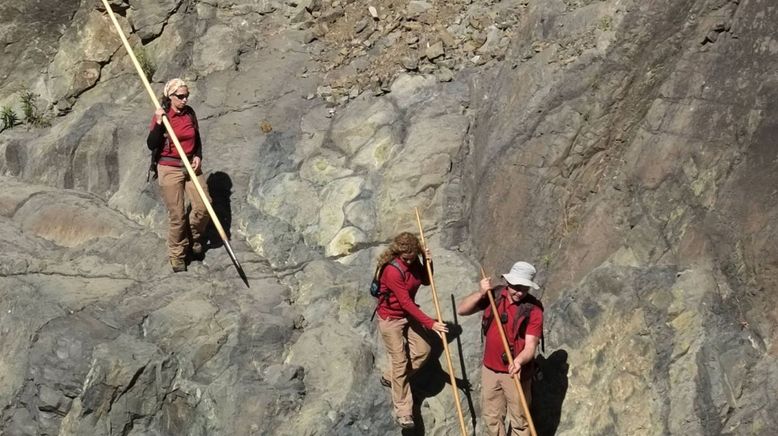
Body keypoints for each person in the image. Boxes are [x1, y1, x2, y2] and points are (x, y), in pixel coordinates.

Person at [457, 261, 544, 436]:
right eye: (516, 286)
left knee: (520, 421)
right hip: (490, 369)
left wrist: (519, 361)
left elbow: (530, 346)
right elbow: (462, 310)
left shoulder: (533, 309)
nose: (519, 292)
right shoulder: (494, 295)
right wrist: (481, 293)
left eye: (524, 288)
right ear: (508, 282)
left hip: (516, 372)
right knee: (492, 418)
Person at [375, 232, 449, 429]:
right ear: (399, 253)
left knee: (424, 351)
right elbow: (406, 303)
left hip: (407, 316)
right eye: (405, 258)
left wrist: (428, 262)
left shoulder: (415, 260)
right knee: (400, 361)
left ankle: (392, 378)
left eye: (412, 257)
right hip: (391, 318)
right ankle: (404, 412)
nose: (409, 261)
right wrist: (431, 323)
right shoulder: (392, 270)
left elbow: (425, 281)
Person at [146, 78, 211, 272]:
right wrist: (158, 123)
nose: (184, 100)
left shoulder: (190, 113)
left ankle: (193, 237)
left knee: (203, 206)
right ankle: (177, 254)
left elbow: (196, 137)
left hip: (190, 165)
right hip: (169, 167)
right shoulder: (163, 115)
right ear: (170, 96)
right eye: (180, 96)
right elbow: (151, 144)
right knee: (177, 216)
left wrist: (198, 155)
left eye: (186, 96)